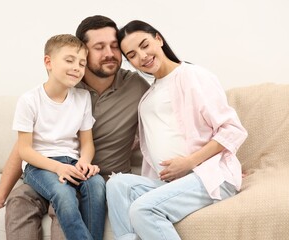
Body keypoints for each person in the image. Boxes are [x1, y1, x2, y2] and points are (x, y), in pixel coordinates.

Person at [0, 15, 150, 240]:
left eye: (115, 46)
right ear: (84, 51)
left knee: (65, 202)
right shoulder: (67, 85)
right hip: (51, 169)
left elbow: (168, 108)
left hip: (94, 176)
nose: (110, 54)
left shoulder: (136, 86)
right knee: (19, 199)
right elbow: (26, 145)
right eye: (99, 47)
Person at [106, 20, 248, 240]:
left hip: (206, 175)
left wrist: (190, 161)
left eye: (144, 45)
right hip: (171, 182)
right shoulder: (147, 97)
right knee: (116, 184)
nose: (142, 56)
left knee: (142, 209)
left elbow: (232, 129)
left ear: (158, 39)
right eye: (132, 55)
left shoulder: (192, 75)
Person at [14, 33, 106, 240]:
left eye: (82, 63)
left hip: (73, 162)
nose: (77, 67)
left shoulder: (82, 98)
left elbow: (87, 143)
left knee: (97, 185)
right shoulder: (29, 100)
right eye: (69, 60)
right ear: (48, 62)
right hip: (40, 166)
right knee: (64, 193)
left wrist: (84, 162)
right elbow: (24, 150)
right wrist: (57, 168)